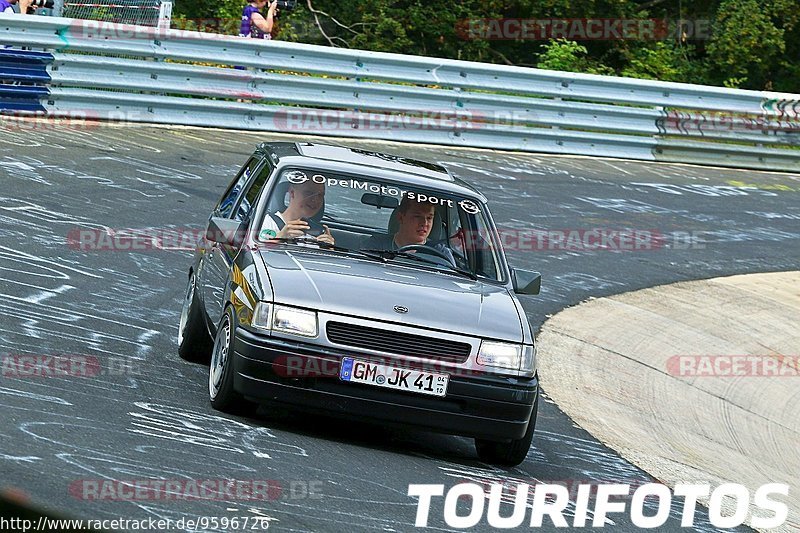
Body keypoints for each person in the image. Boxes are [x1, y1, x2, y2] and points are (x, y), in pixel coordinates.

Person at [364, 196, 455, 264]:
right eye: (417, 216)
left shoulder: (441, 254)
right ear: (401, 218)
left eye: (429, 218)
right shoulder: (376, 244)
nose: (424, 223)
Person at [259, 179, 335, 245]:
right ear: (292, 193)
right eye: (309, 193)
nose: (315, 200)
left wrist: (329, 249)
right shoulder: (266, 222)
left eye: (320, 195)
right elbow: (255, 251)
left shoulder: (319, 234)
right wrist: (280, 237)